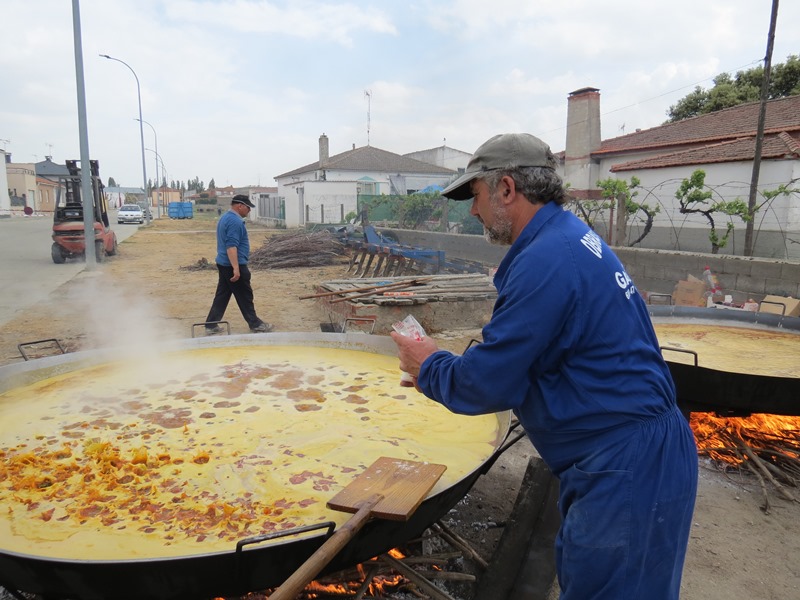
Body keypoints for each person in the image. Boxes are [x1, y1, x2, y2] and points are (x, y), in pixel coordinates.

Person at [391, 133, 698, 599]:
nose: (472, 211)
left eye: (475, 195)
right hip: (627, 454)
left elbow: (487, 383)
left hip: (626, 466)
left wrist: (428, 364)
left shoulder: (548, 259)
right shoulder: (567, 239)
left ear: (506, 189)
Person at [205, 194, 273, 334]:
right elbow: (231, 246)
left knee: (222, 295)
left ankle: (211, 325)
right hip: (232, 264)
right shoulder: (235, 221)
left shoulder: (225, 217)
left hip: (224, 263)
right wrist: (236, 268)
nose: (249, 210)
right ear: (240, 206)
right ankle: (255, 324)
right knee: (245, 295)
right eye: (248, 207)